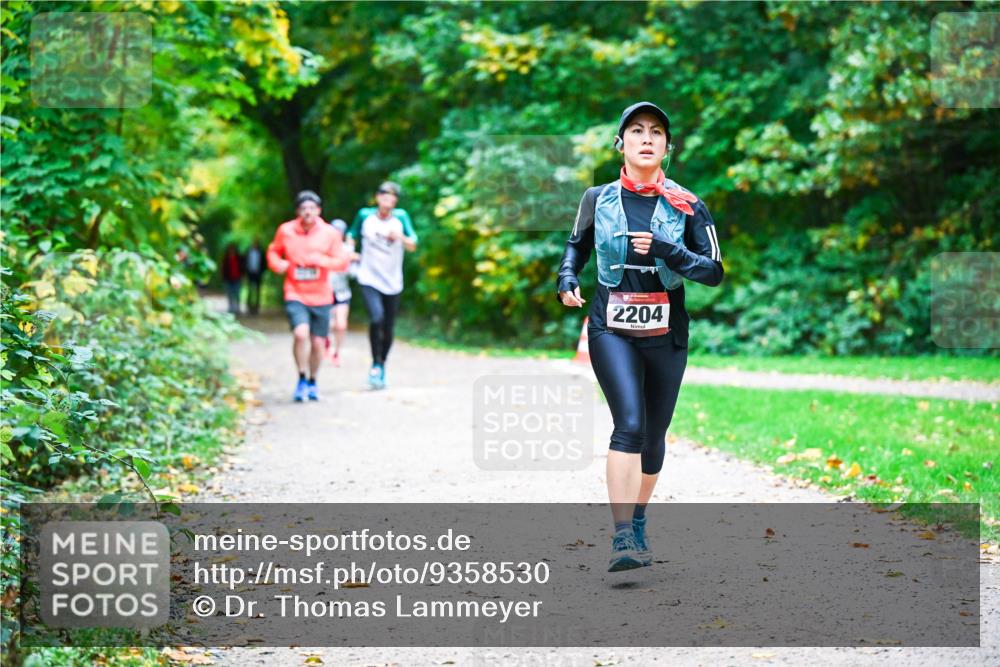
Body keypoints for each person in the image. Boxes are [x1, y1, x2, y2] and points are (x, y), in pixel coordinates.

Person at [556, 102, 724, 572]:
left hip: (666, 333)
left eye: (656, 132)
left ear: (667, 147)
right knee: (628, 424)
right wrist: (567, 276)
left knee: (653, 437)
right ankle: (622, 536)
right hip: (611, 326)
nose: (646, 138)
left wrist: (671, 250)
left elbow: (713, 271)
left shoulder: (688, 204)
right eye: (636, 130)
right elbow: (577, 244)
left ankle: (640, 517)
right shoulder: (597, 198)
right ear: (621, 143)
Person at [267, 191, 357, 402]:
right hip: (295, 291)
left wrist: (321, 262)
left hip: (322, 296)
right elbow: (273, 251)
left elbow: (342, 261)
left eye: (312, 208)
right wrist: (278, 264)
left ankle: (313, 381)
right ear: (298, 211)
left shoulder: (330, 233)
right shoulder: (286, 230)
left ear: (319, 211)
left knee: (318, 343)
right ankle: (300, 377)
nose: (308, 212)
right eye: (303, 208)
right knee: (300, 334)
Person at [347, 181, 418, 389]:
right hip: (369, 277)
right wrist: (350, 250)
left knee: (388, 326)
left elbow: (413, 243)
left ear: (396, 200)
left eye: (392, 197)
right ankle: (375, 364)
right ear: (377, 198)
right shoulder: (364, 216)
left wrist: (401, 237)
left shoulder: (401, 218)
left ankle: (381, 363)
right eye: (384, 196)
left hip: (393, 281)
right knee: (376, 318)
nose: (388, 200)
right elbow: (351, 235)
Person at [326, 219, 354, 366]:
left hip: (342, 292)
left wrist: (351, 262)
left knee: (341, 325)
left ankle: (337, 352)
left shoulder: (347, 250)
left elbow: (353, 273)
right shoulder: (323, 248)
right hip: (325, 292)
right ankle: (326, 343)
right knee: (328, 324)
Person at [221, 243, 243, 315]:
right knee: (229, 294)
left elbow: (242, 267)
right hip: (228, 278)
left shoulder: (238, 258)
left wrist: (242, 276)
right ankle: (231, 308)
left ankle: (237, 308)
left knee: (237, 293)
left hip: (237, 278)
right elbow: (223, 269)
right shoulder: (226, 258)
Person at [244, 239, 264, 315]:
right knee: (250, 290)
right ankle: (249, 306)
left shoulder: (260, 252)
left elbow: (263, 263)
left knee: (258, 291)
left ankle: (256, 307)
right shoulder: (248, 252)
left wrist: (262, 272)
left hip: (258, 274)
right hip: (250, 273)